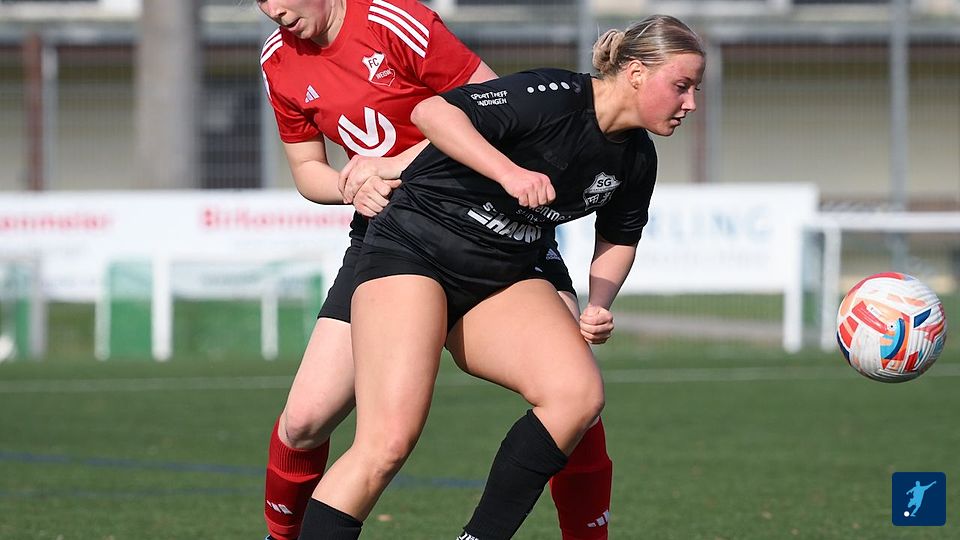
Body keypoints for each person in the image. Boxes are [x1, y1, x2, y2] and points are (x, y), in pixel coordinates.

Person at [297, 14, 706, 539]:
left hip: (502, 274)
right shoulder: (552, 96)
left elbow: (620, 236)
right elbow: (431, 111)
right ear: (634, 72)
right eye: (681, 85)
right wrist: (508, 172)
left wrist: (599, 302)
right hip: (414, 252)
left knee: (577, 396)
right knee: (386, 444)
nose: (690, 103)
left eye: (695, 89)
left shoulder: (638, 158)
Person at [255, 1, 614, 539]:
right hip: (391, 239)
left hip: (491, 226)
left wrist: (392, 168)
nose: (273, 9)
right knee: (306, 419)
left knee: (576, 399)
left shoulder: (395, 21)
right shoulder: (278, 59)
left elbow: (500, 113)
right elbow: (309, 169)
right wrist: (351, 187)